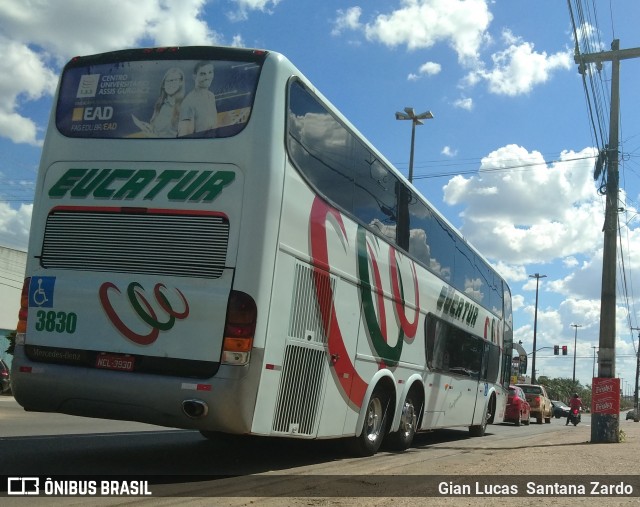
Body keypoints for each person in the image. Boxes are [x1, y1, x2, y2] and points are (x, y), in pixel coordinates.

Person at [132, 67, 185, 137]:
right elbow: (158, 131)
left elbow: (183, 140)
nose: (171, 83)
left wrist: (153, 136)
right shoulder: (160, 105)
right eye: (168, 81)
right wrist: (149, 128)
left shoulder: (185, 106)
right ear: (163, 85)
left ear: (180, 83)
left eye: (175, 80)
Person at [178, 61, 217, 136]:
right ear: (194, 77)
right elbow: (184, 137)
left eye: (210, 72)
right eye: (202, 74)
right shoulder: (188, 103)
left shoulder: (211, 96)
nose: (207, 77)